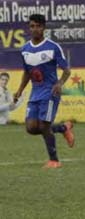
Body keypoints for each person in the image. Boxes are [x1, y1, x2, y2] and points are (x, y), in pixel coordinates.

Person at [13, 15, 75, 167]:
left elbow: (67, 70)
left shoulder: (53, 47)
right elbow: (27, 72)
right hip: (35, 92)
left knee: (45, 126)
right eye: (32, 26)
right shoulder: (25, 49)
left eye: (38, 26)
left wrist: (59, 83)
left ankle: (54, 160)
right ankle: (63, 128)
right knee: (32, 128)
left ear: (43, 28)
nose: (34, 29)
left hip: (50, 92)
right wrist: (20, 90)